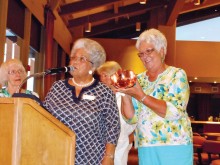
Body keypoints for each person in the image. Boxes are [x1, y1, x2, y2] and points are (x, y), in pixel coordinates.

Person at [116, 29, 193, 165]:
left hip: (174, 145)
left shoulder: (176, 75)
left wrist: (141, 96)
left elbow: (174, 112)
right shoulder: (138, 79)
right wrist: (126, 95)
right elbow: (131, 118)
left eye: (149, 51)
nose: (144, 57)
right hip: (146, 146)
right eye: (141, 54)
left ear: (162, 51)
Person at [43, 38, 120, 165]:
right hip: (57, 156)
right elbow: (43, 117)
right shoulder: (57, 87)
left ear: (93, 66)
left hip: (92, 158)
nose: (74, 62)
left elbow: (113, 126)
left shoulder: (104, 92)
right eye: (73, 57)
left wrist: (109, 156)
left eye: (81, 59)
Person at [97, 61, 136, 165]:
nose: (101, 79)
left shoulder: (127, 96)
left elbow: (137, 122)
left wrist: (128, 139)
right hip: (99, 147)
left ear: (115, 75)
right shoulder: (101, 97)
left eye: (105, 75)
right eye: (101, 76)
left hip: (120, 147)